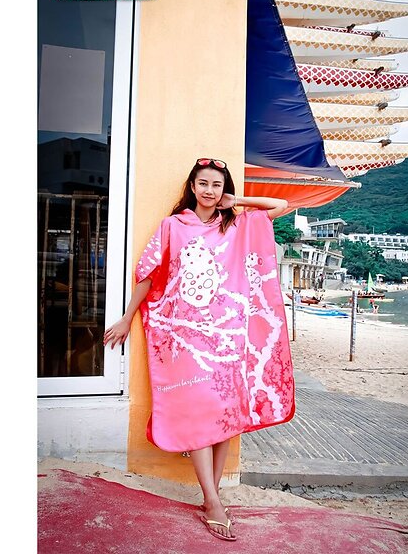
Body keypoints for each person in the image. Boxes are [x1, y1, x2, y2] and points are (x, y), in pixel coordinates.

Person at [103, 158, 295, 542]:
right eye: (203, 183)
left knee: (226, 414)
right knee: (206, 411)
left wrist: (237, 201)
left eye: (216, 185)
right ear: (192, 186)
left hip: (228, 338)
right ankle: (211, 501)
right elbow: (148, 274)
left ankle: (213, 495)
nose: (209, 190)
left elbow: (280, 206)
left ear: (224, 190)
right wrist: (127, 317)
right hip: (188, 340)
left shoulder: (235, 224)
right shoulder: (173, 226)